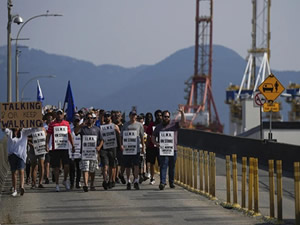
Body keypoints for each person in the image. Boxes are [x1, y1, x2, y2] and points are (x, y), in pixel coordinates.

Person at [152, 106, 186, 190]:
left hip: (173, 149)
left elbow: (183, 122)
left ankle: (171, 182)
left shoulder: (174, 124)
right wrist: (156, 143)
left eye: (168, 116)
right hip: (163, 150)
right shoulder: (158, 127)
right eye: (165, 116)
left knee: (172, 166)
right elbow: (153, 136)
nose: (166, 118)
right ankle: (162, 183)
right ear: (162, 117)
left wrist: (182, 113)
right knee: (163, 166)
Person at [46, 109, 75, 192]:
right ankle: (57, 184)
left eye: (60, 114)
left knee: (66, 166)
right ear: (56, 115)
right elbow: (48, 135)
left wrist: (72, 145)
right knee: (56, 167)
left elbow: (69, 135)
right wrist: (46, 145)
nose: (59, 115)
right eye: (58, 114)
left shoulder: (66, 124)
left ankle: (65, 180)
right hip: (55, 148)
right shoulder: (52, 124)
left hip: (64, 147)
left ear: (63, 115)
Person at [2, 127, 36, 197]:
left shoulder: (24, 131)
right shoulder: (10, 132)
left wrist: (38, 122)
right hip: (12, 155)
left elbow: (33, 129)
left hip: (21, 155)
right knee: (14, 172)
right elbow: (4, 129)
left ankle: (22, 187)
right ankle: (14, 189)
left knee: (21, 171)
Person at [75, 112, 103, 192]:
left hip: (93, 153)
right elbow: (76, 132)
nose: (90, 119)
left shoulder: (97, 129)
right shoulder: (83, 129)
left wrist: (99, 147)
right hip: (84, 153)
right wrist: (80, 125)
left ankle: (92, 184)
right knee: (85, 168)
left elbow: (101, 140)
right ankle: (86, 184)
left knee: (92, 169)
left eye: (91, 118)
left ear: (93, 119)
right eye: (88, 118)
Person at [121, 110, 145, 190]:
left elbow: (141, 137)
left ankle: (136, 180)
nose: (133, 116)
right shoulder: (125, 125)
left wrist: (143, 147)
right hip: (127, 148)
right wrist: (121, 145)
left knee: (136, 165)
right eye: (132, 115)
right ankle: (128, 180)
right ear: (130, 116)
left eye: (135, 115)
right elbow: (121, 136)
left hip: (136, 148)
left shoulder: (139, 125)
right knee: (127, 166)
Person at [99, 111, 121, 189]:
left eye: (108, 116)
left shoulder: (115, 126)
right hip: (104, 148)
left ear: (110, 117)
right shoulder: (102, 127)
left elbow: (119, 136)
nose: (107, 117)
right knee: (105, 166)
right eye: (105, 116)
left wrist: (120, 145)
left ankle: (112, 180)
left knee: (112, 166)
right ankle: (105, 180)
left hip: (113, 148)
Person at [146, 110, 162, 185]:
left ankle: (162, 178)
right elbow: (148, 136)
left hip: (161, 147)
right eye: (157, 115)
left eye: (160, 115)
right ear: (155, 116)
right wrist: (146, 146)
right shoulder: (151, 125)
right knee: (152, 163)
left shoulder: (163, 125)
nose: (159, 117)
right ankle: (152, 178)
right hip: (152, 147)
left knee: (161, 163)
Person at [69, 116, 82, 189]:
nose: (76, 123)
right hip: (72, 152)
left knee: (79, 168)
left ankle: (78, 182)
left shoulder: (82, 130)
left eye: (78, 121)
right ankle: (71, 183)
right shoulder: (70, 130)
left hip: (80, 152)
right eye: (75, 121)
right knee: (72, 168)